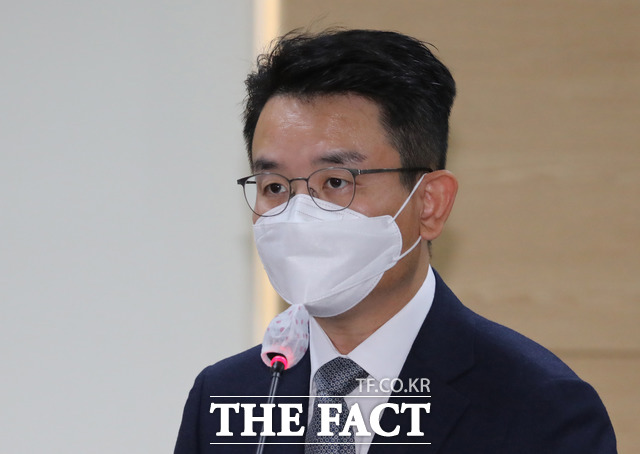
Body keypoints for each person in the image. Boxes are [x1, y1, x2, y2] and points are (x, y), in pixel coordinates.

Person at [174, 29, 616, 453]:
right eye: (274, 187)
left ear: (429, 203)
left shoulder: (540, 408)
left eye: (335, 181)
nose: (299, 213)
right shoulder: (223, 398)